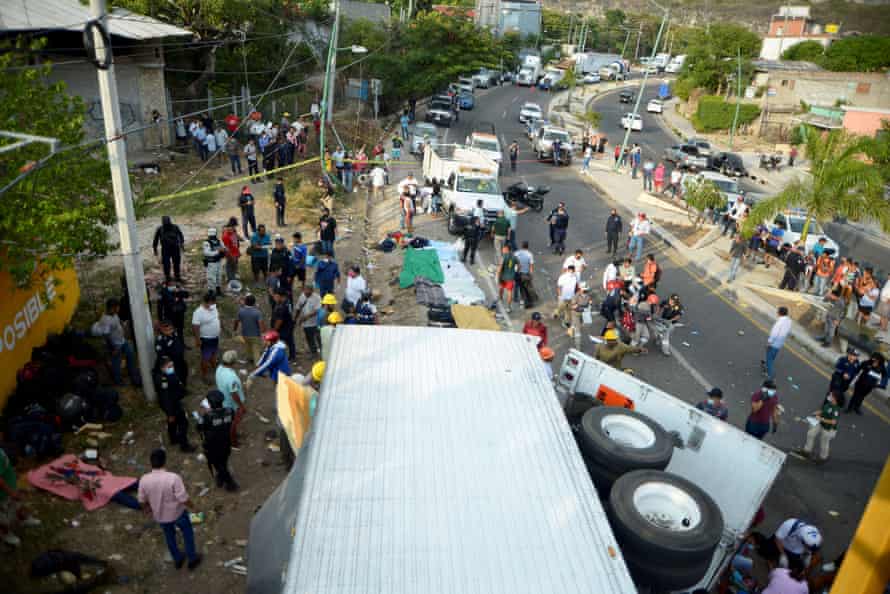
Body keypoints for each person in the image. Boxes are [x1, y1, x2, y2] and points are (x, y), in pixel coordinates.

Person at [138, 449, 202, 571]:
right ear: (164, 461)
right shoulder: (173, 478)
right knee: (187, 534)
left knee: (169, 536)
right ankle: (192, 559)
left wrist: (146, 509)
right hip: (178, 513)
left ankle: (177, 559)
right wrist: (194, 507)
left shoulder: (144, 479)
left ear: (150, 463)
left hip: (160, 516)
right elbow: (182, 498)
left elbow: (141, 500)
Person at [92, 298, 141, 386]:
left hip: (122, 341)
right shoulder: (106, 320)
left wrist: (122, 323)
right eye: (117, 307)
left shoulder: (114, 314)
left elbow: (117, 322)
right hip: (115, 345)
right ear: (112, 308)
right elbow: (106, 336)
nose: (119, 309)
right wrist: (112, 349)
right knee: (116, 364)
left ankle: (134, 375)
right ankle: (118, 381)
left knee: (131, 355)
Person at [0, 445, 41, 547]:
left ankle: (23, 519)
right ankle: (6, 534)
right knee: (3, 516)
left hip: (10, 485)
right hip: (3, 493)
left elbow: (5, 466)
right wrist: (11, 493)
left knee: (18, 505)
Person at [197, 390, 238, 491]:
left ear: (210, 403)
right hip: (225, 442)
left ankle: (230, 483)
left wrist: (202, 415)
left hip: (212, 446)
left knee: (218, 465)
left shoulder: (208, 417)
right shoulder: (230, 411)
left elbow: (199, 428)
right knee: (223, 462)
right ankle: (221, 478)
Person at [153, 356, 195, 452]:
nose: (172, 368)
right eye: (169, 366)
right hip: (172, 405)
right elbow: (166, 398)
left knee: (172, 421)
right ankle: (184, 446)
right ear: (162, 368)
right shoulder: (163, 380)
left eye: (172, 365)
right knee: (183, 423)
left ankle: (173, 439)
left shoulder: (165, 375)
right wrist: (170, 413)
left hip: (172, 403)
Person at [799, 390, 840, 463]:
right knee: (811, 434)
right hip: (821, 424)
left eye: (831, 395)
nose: (829, 396)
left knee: (824, 443)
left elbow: (833, 422)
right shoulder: (828, 404)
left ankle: (823, 457)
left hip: (828, 429)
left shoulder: (836, 409)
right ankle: (807, 451)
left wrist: (822, 419)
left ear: (835, 398)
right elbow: (823, 411)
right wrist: (816, 413)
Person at [192, 292, 221, 384]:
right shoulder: (198, 312)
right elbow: (195, 326)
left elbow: (217, 318)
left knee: (214, 353)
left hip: (215, 337)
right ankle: (204, 376)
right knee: (205, 357)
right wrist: (197, 339)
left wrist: (222, 327)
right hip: (206, 339)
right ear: (206, 302)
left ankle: (215, 367)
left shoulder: (213, 307)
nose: (214, 304)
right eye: (212, 303)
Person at [155, 319, 188, 386]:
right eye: (166, 330)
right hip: (171, 362)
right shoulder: (160, 340)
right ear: (162, 329)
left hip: (180, 359)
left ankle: (183, 387)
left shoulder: (174, 333)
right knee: (175, 378)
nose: (169, 331)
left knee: (184, 372)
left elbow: (178, 343)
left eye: (170, 329)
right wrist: (169, 364)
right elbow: (161, 354)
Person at [153, 216, 185, 283]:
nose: (166, 223)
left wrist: (182, 245)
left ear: (170, 221)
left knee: (176, 263)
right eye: (165, 222)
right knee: (166, 264)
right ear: (162, 223)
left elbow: (181, 236)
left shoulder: (175, 227)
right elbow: (155, 240)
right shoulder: (160, 229)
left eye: (167, 222)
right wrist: (155, 249)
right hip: (165, 249)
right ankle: (167, 278)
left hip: (175, 248)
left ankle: (177, 277)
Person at [763, 307, 791, 380]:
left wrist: (769, 342)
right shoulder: (789, 321)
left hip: (774, 343)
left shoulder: (779, 322)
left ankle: (770, 374)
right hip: (780, 343)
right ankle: (766, 365)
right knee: (772, 357)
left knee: (769, 359)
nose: (776, 313)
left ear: (780, 313)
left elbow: (775, 333)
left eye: (777, 312)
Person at [234, 294, 264, 362]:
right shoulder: (257, 312)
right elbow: (260, 324)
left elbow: (236, 321)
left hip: (245, 334)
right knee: (256, 349)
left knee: (248, 347)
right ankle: (257, 364)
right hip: (255, 335)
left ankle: (249, 358)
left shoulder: (241, 311)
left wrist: (235, 330)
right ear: (254, 303)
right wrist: (262, 333)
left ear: (245, 302)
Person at [295, 286, 322, 354]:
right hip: (306, 324)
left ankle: (322, 350)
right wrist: (296, 318)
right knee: (309, 338)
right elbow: (298, 307)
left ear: (312, 291)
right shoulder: (302, 296)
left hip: (316, 322)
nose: (306, 292)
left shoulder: (317, 297)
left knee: (318, 337)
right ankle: (314, 352)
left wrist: (306, 317)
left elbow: (317, 310)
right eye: (305, 291)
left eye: (308, 291)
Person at [271, 289, 296, 360]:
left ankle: (283, 357)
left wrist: (274, 330)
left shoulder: (282, 307)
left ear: (280, 296)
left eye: (275, 296)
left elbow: (279, 320)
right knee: (290, 342)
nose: (274, 298)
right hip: (288, 325)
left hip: (283, 328)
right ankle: (292, 356)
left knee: (281, 343)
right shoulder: (287, 302)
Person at [202, 227, 226, 296]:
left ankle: (218, 290)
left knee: (219, 276)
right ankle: (211, 291)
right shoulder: (206, 242)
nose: (212, 237)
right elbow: (207, 253)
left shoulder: (219, 241)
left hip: (218, 261)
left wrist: (224, 250)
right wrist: (218, 251)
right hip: (211, 262)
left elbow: (223, 247)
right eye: (211, 236)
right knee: (211, 277)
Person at [496, 244, 518, 313]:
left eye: (503, 249)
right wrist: (515, 272)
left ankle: (500, 297)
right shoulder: (514, 257)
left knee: (501, 287)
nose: (502, 250)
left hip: (503, 276)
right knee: (509, 292)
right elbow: (519, 265)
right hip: (511, 277)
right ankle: (508, 307)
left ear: (506, 249)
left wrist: (497, 275)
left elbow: (500, 267)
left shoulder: (504, 257)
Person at [514, 241, 536, 307]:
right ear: (527, 246)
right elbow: (531, 266)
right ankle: (526, 300)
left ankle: (515, 297)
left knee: (517, 285)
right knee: (526, 287)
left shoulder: (516, 253)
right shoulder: (529, 254)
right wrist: (531, 275)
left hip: (517, 273)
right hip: (525, 273)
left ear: (521, 246)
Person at [221, 218, 241, 283]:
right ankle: (229, 277)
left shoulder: (233, 231)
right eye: (234, 226)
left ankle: (233, 275)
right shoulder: (226, 234)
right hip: (230, 252)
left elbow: (236, 238)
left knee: (234, 264)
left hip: (235, 250)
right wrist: (230, 255)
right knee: (229, 264)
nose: (234, 228)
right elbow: (226, 247)